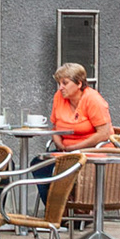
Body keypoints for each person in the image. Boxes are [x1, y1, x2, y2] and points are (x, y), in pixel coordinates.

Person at [36, 62, 114, 205]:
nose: (61, 87)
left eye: (65, 83)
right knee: (39, 164)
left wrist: (77, 147)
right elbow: (55, 126)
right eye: (59, 83)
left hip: (92, 151)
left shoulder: (92, 99)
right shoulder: (59, 97)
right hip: (66, 152)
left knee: (65, 168)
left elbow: (104, 133)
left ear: (78, 84)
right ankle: (55, 212)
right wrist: (59, 142)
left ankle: (77, 210)